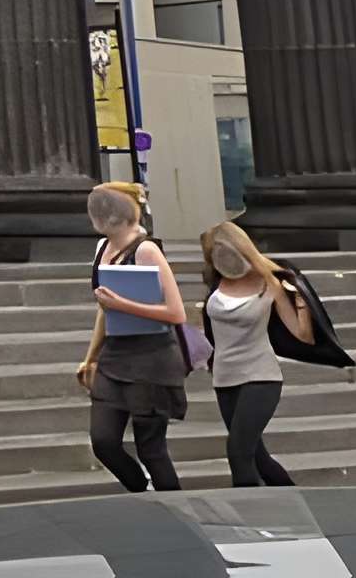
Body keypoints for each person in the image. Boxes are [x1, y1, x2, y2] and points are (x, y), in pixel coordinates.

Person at [74, 181, 188, 491]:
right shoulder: (102, 248)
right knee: (104, 441)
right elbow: (104, 308)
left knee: (152, 449)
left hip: (151, 358)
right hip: (115, 355)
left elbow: (177, 313)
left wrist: (122, 304)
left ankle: (175, 510)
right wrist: (90, 357)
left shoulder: (146, 249)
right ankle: (142, 490)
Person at [198, 219, 311, 486]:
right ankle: (300, 503)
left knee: (237, 452)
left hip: (260, 377)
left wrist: (302, 304)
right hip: (225, 379)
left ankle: (250, 519)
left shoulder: (269, 283)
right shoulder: (217, 282)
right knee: (257, 457)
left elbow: (301, 335)